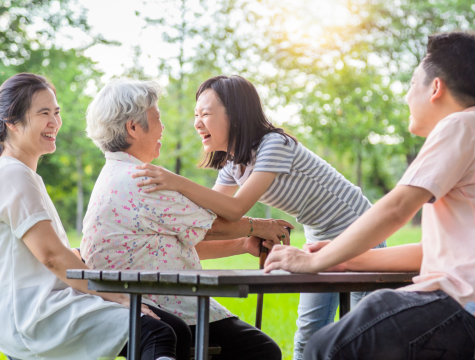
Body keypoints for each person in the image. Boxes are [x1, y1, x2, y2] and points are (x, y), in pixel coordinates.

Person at [131, 75, 386, 359]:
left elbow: (236, 207)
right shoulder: (233, 163)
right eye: (195, 114)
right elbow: (212, 217)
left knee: (363, 334)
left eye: (205, 113)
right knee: (309, 331)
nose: (197, 122)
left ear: (235, 116)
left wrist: (177, 182)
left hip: (359, 229)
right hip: (319, 236)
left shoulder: (274, 144)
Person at [264, 31, 475, 360]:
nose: (406, 97)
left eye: (411, 84)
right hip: (463, 309)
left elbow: (397, 208)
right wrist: (344, 258)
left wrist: (317, 260)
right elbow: (434, 252)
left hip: (461, 307)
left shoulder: (460, 124)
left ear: (436, 88)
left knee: (327, 346)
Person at [81, 79, 286, 360]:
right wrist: (262, 226)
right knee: (261, 350)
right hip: (155, 301)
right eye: (157, 119)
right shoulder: (141, 179)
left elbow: (180, 241)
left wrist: (242, 245)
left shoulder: (114, 175)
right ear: (133, 127)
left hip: (136, 295)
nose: (163, 127)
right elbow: (211, 225)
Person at [0, 73, 178, 360]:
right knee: (156, 332)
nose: (54, 122)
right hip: (37, 314)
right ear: (12, 122)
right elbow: (51, 256)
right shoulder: (12, 174)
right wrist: (114, 294)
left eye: (56, 113)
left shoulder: (23, 175)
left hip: (46, 302)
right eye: (43, 113)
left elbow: (41, 253)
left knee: (173, 327)